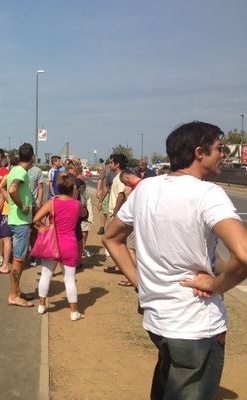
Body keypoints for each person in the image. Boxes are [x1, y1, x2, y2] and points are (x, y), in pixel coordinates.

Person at [103, 121, 247, 400]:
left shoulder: (145, 190)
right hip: (195, 324)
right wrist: (217, 285)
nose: (224, 154)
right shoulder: (208, 194)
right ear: (199, 153)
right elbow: (243, 254)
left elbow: (112, 238)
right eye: (220, 148)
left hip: (158, 320)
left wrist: (139, 283)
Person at [33, 173, 88, 320]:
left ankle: (42, 305)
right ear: (73, 188)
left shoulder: (52, 203)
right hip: (70, 244)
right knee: (69, 279)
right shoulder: (77, 205)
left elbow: (36, 219)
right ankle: (74, 312)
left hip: (53, 243)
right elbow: (85, 214)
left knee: (46, 274)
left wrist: (43, 227)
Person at [6, 143, 35, 307]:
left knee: (19, 259)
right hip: (20, 222)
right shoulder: (21, 172)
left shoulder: (14, 170)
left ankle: (16, 290)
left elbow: (5, 188)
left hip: (16, 220)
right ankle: (13, 295)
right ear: (32, 157)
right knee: (18, 259)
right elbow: (11, 189)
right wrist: (20, 206)